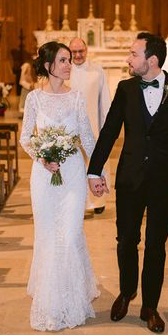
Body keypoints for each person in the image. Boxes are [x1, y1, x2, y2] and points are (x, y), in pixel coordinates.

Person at [87, 32, 168, 334]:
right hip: (130, 179)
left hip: (166, 182)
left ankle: (150, 305)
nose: (128, 59)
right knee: (126, 241)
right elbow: (110, 131)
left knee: (155, 246)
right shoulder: (125, 89)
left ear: (151, 60)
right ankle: (127, 292)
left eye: (133, 54)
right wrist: (93, 171)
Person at [19, 41, 100, 331]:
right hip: (43, 177)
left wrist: (97, 172)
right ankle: (51, 302)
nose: (69, 65)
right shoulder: (34, 99)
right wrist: (42, 157)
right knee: (49, 235)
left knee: (70, 232)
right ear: (49, 64)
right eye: (64, 60)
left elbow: (87, 138)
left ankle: (72, 300)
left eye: (70, 60)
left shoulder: (76, 98)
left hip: (73, 176)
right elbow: (26, 137)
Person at [68, 37, 111, 214]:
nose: (78, 55)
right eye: (74, 52)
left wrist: (106, 127)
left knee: (95, 161)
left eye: (81, 51)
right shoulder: (63, 69)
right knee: (73, 165)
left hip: (93, 125)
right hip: (69, 127)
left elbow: (105, 100)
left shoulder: (97, 70)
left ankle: (97, 201)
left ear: (87, 51)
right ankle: (74, 201)